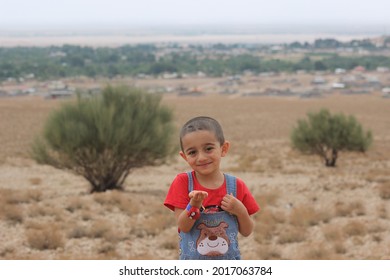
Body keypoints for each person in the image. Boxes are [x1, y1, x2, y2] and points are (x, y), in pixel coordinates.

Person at [164, 116, 259, 260]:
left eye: (208, 149)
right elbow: (183, 226)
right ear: (184, 157)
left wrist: (240, 211)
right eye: (192, 152)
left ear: (223, 149)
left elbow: (247, 231)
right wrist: (194, 205)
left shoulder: (236, 186)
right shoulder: (182, 183)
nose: (201, 157)